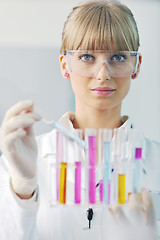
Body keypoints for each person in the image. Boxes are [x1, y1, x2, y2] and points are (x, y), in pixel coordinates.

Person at [0, 1, 159, 239]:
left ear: (136, 65)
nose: (103, 74)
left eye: (117, 57)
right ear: (65, 65)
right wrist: (23, 189)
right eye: (87, 56)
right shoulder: (21, 162)